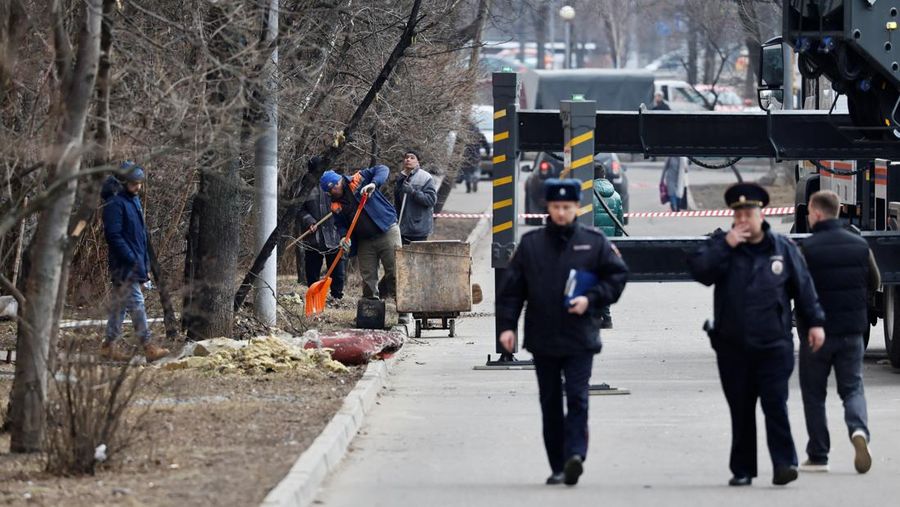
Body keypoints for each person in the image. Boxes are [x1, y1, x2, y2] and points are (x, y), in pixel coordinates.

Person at [688, 182, 826, 487]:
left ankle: (784, 463)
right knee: (741, 408)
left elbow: (804, 289)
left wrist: (815, 323)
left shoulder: (782, 248)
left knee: (775, 404)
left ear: (760, 214)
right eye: (737, 216)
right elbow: (699, 270)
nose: (742, 221)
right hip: (732, 345)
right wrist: (727, 245)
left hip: (773, 343)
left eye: (748, 214)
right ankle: (743, 469)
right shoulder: (722, 246)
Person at [497, 178, 628, 487]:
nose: (560, 213)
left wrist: (592, 299)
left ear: (576, 208)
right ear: (548, 208)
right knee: (551, 402)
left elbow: (617, 275)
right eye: (555, 207)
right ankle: (558, 465)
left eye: (566, 207)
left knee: (579, 397)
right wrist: (507, 327)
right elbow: (512, 291)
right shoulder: (531, 245)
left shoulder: (594, 242)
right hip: (543, 338)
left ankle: (575, 456)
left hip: (580, 337)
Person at [798, 190, 879, 474]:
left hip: (816, 334)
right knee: (853, 387)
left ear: (817, 213)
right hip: (852, 331)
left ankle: (819, 455)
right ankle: (859, 431)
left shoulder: (807, 249)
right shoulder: (860, 245)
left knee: (814, 394)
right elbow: (875, 281)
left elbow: (798, 288)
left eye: (809, 211)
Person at [100, 161, 170, 362]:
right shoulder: (115, 203)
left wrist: (145, 263)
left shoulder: (133, 201)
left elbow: (140, 237)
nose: (138, 187)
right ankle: (147, 346)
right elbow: (114, 236)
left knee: (119, 306)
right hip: (124, 265)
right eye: (134, 183)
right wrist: (132, 260)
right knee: (137, 303)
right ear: (123, 182)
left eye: (140, 183)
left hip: (135, 262)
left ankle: (108, 346)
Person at [320, 164, 401, 300]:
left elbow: (382, 169)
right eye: (331, 189)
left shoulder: (359, 179)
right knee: (368, 279)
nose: (335, 189)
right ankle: (370, 313)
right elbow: (340, 225)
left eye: (336, 185)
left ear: (340, 179)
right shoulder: (335, 205)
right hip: (364, 241)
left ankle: (404, 314)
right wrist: (343, 236)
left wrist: (374, 184)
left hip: (387, 230)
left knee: (395, 273)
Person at [296, 185, 345, 299]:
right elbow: (299, 209)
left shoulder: (337, 183)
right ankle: (313, 296)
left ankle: (336, 297)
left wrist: (341, 209)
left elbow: (347, 202)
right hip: (313, 237)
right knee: (312, 270)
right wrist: (309, 221)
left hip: (335, 235)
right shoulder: (306, 185)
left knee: (337, 271)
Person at [591, 164, 624, 329]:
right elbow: (620, 223)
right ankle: (606, 317)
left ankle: (599, 317)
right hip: (609, 243)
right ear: (604, 175)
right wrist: (616, 243)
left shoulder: (586, 194)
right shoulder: (616, 195)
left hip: (591, 243)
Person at [394, 150, 437, 245]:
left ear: (418, 162)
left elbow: (431, 200)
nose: (408, 159)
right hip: (401, 228)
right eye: (406, 157)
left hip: (419, 229)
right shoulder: (401, 177)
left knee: (416, 258)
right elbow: (397, 203)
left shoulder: (425, 177)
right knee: (402, 258)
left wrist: (413, 191)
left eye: (412, 158)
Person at [460, 123, 489, 193]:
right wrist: (487, 152)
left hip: (466, 157)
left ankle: (468, 186)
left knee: (467, 172)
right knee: (476, 170)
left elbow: (458, 145)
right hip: (476, 156)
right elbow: (486, 144)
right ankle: (475, 179)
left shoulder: (464, 135)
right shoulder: (479, 134)